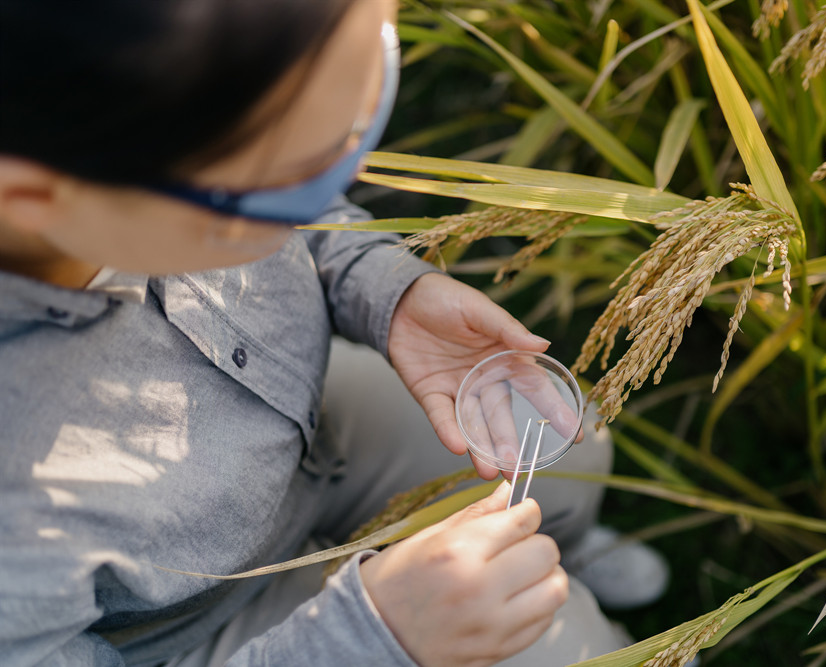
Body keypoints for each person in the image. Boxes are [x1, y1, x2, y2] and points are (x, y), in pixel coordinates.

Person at [0, 0, 668, 665]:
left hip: (316, 420)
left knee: (567, 448)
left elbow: (304, 203)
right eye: (303, 176)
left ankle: (569, 555)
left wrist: (380, 286)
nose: (345, 171)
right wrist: (370, 638)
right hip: (203, 628)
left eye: (377, 77)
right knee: (564, 649)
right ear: (34, 201)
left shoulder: (150, 142)